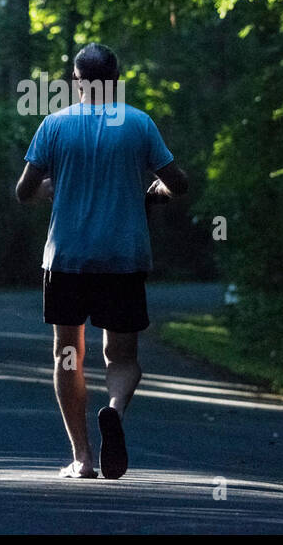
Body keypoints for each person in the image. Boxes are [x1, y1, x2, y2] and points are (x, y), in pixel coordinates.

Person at [15, 43, 187, 479]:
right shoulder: (138, 124)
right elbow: (176, 183)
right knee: (123, 357)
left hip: (67, 258)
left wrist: (46, 189)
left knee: (67, 355)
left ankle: (82, 458)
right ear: (116, 78)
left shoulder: (54, 125)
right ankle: (113, 410)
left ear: (76, 79)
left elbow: (23, 191)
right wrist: (160, 191)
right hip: (123, 257)